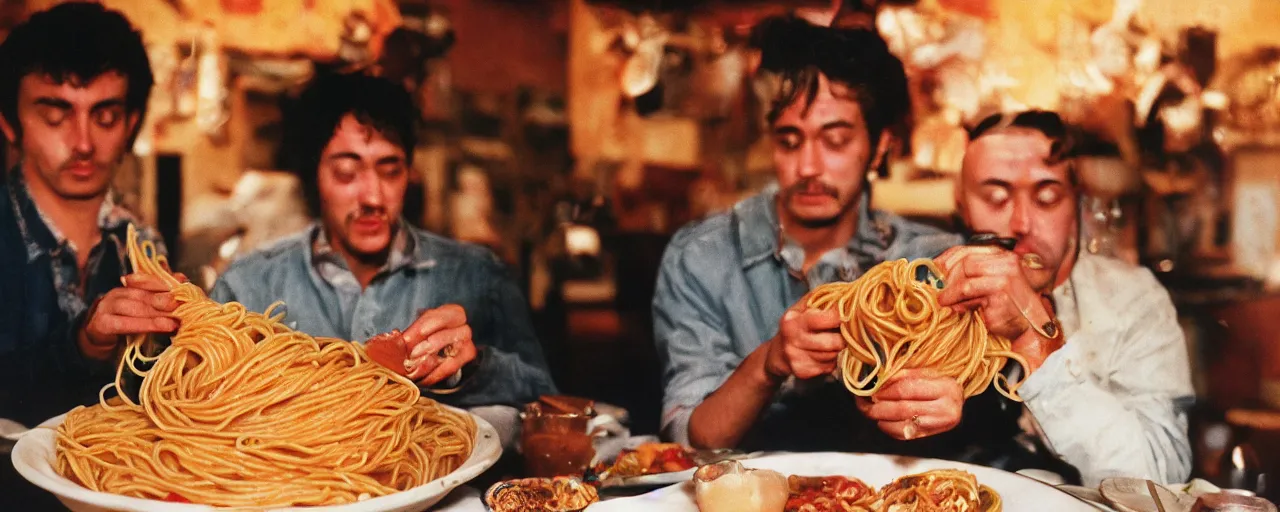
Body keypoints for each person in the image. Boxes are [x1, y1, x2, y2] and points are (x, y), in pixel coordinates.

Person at [652, 16, 1030, 456]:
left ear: (881, 144)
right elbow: (693, 439)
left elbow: (1009, 405)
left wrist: (959, 399)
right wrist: (769, 363)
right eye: (790, 141)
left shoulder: (932, 261)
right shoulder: (702, 256)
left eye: (834, 141)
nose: (809, 167)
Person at [209, 72, 556, 445]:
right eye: (346, 172)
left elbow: (549, 404)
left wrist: (476, 367)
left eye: (390, 171)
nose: (373, 196)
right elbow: (198, 406)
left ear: (410, 173)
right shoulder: (248, 286)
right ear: (314, 176)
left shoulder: (478, 275)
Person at [936, 109, 1194, 485]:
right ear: (961, 205)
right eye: (995, 197)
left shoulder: (1134, 301)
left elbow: (1160, 478)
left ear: (1077, 203)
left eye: (1047, 197)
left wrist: (1035, 342)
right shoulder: (926, 295)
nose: (1021, 223)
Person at [0, 3, 174, 507]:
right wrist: (85, 342)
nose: (82, 142)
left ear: (132, 122)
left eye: (105, 116)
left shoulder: (143, 243)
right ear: (11, 124)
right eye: (55, 115)